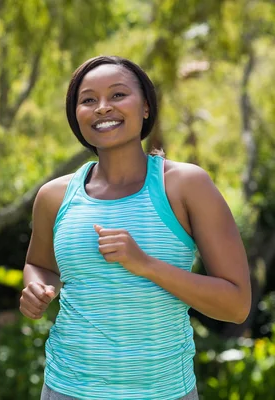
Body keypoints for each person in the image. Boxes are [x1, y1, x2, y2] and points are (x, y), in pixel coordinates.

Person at [19, 55, 251, 400]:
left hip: (164, 392)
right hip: (67, 388)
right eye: (88, 100)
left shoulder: (186, 186)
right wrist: (36, 288)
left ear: (145, 107)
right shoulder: (54, 196)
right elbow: (40, 265)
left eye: (117, 95)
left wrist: (146, 265)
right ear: (76, 115)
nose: (102, 108)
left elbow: (236, 305)